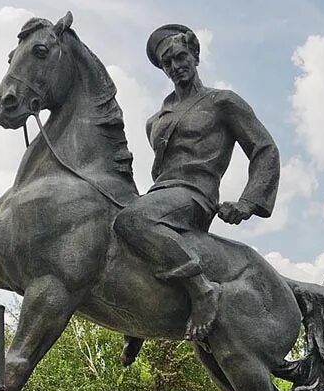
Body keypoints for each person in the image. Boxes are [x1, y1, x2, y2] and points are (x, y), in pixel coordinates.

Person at [112, 24, 279, 341]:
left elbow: (264, 148)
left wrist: (248, 202)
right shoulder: (154, 121)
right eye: (167, 63)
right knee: (109, 226)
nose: (176, 67)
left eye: (180, 57)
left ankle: (202, 290)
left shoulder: (223, 102)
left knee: (132, 219)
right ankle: (135, 324)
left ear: (195, 55)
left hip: (196, 196)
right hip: (161, 194)